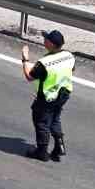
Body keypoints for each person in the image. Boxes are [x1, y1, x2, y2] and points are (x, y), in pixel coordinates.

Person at [20, 30, 74, 162]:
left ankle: (42, 152)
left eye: (46, 39)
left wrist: (25, 59)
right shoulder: (69, 56)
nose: (44, 40)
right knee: (55, 118)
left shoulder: (44, 63)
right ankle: (59, 146)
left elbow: (29, 76)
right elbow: (70, 70)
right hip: (64, 93)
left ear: (50, 43)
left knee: (42, 122)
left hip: (47, 96)